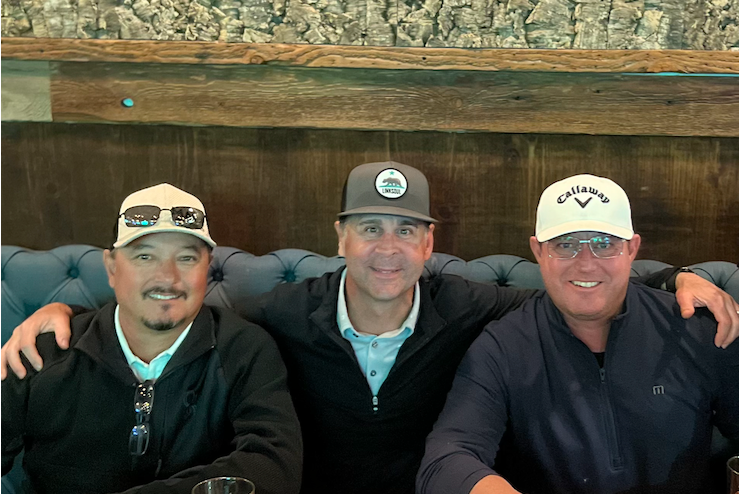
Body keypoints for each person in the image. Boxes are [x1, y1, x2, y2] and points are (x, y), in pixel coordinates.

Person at [1, 164, 737, 494]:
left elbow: (581, 291)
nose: (388, 248)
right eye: (369, 227)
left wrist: (675, 282)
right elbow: (173, 312)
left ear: (430, 242)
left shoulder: (476, 309)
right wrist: (75, 317)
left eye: (406, 229)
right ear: (340, 237)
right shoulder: (276, 318)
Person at [416, 174, 739, 494]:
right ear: (538, 251)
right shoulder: (503, 346)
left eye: (604, 244)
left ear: (632, 249)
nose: (586, 264)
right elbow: (447, 459)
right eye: (565, 245)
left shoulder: (696, 328)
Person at [0, 184, 302, 494]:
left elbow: (273, 465)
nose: (167, 277)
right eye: (145, 256)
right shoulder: (42, 350)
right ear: (111, 268)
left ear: (207, 268)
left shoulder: (244, 349)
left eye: (186, 258)